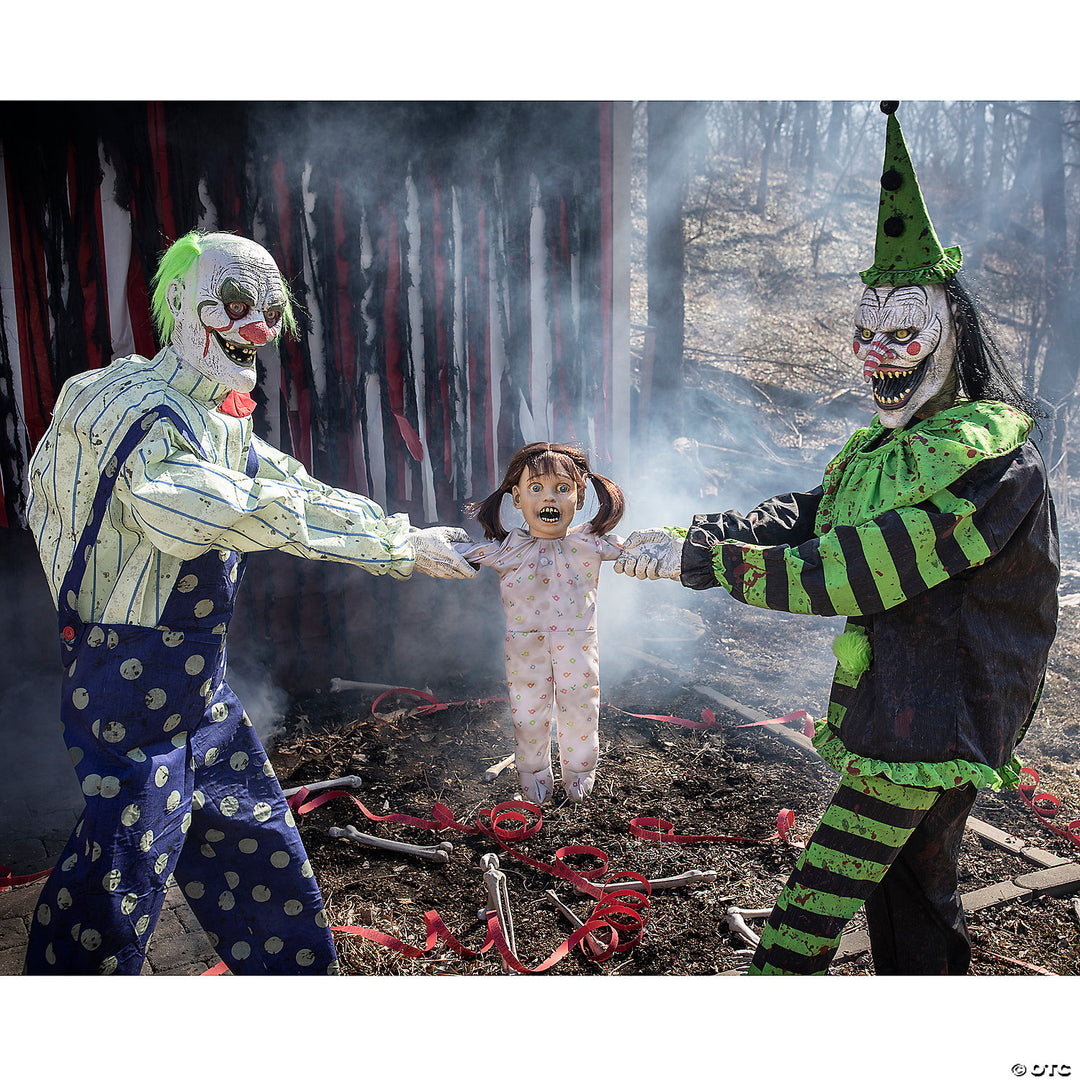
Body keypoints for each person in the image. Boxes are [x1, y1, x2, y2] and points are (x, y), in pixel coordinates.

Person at [615, 103, 1059, 975]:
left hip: (938, 719)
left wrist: (705, 564)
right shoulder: (884, 451)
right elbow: (813, 515)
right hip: (908, 707)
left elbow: (859, 571)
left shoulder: (994, 465)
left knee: (808, 915)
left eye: (903, 332)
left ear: (950, 334)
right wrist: (688, 534)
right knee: (915, 896)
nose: (879, 352)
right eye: (867, 333)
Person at [23, 230, 477, 976]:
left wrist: (403, 535)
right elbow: (211, 509)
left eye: (268, 311)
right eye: (234, 305)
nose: (257, 330)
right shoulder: (137, 410)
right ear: (178, 303)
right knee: (119, 877)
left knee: (254, 836)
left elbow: (289, 485)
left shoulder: (214, 415)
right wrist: (390, 549)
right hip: (127, 687)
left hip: (197, 689)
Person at [454, 442, 625, 804]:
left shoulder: (589, 545)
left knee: (581, 706)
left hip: (578, 646)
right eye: (536, 489)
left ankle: (580, 774)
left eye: (562, 489)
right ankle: (533, 776)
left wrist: (673, 551)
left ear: (579, 498)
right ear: (516, 498)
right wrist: (420, 547)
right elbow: (461, 552)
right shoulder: (509, 549)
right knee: (528, 711)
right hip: (524, 649)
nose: (549, 499)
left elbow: (639, 551)